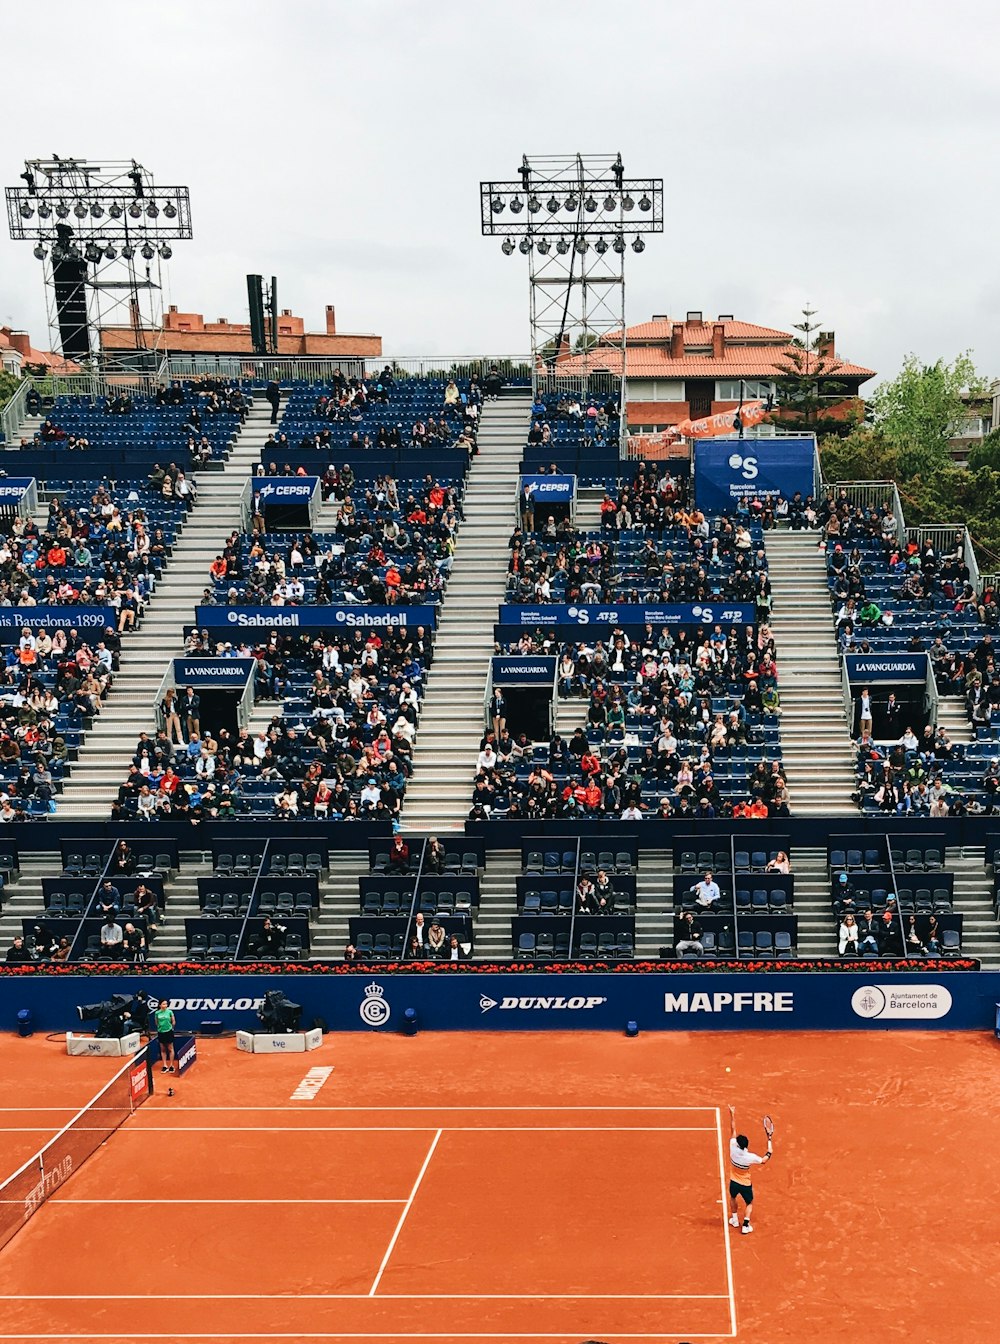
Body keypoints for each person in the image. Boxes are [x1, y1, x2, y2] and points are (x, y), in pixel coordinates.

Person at [728, 1104, 772, 1235]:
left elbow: (733, 1130)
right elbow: (764, 1160)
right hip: (745, 1184)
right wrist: (769, 1152)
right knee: (749, 1203)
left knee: (732, 1197)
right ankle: (745, 1224)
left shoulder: (732, 1148)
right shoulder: (749, 1157)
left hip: (733, 1181)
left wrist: (732, 1114)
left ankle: (735, 1219)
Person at [154, 999, 177, 1073]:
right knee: (163, 1049)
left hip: (169, 1032)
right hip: (161, 1032)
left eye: (166, 1004)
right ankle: (165, 1065)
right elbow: (156, 1022)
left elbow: (173, 1021)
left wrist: (171, 1028)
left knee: (170, 1049)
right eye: (163, 1004)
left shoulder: (169, 1012)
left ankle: (171, 1065)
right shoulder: (157, 1013)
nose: (165, 1005)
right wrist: (160, 1028)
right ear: (160, 1005)